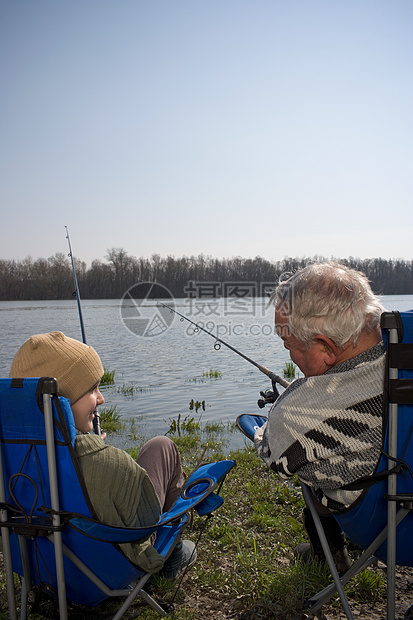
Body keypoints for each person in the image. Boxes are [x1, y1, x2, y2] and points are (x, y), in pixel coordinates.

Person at [10, 331, 195, 579]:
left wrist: (87, 444)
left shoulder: (11, 456)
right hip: (111, 569)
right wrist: (98, 451)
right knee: (162, 447)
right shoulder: (105, 462)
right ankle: (171, 559)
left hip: (42, 567)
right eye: (92, 389)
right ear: (62, 399)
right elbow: (147, 519)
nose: (101, 398)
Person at [254, 262, 386, 572]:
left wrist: (265, 431)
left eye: (290, 344)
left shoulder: (296, 414)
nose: (289, 355)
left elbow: (273, 455)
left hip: (384, 529)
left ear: (326, 347)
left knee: (308, 468)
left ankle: (329, 554)